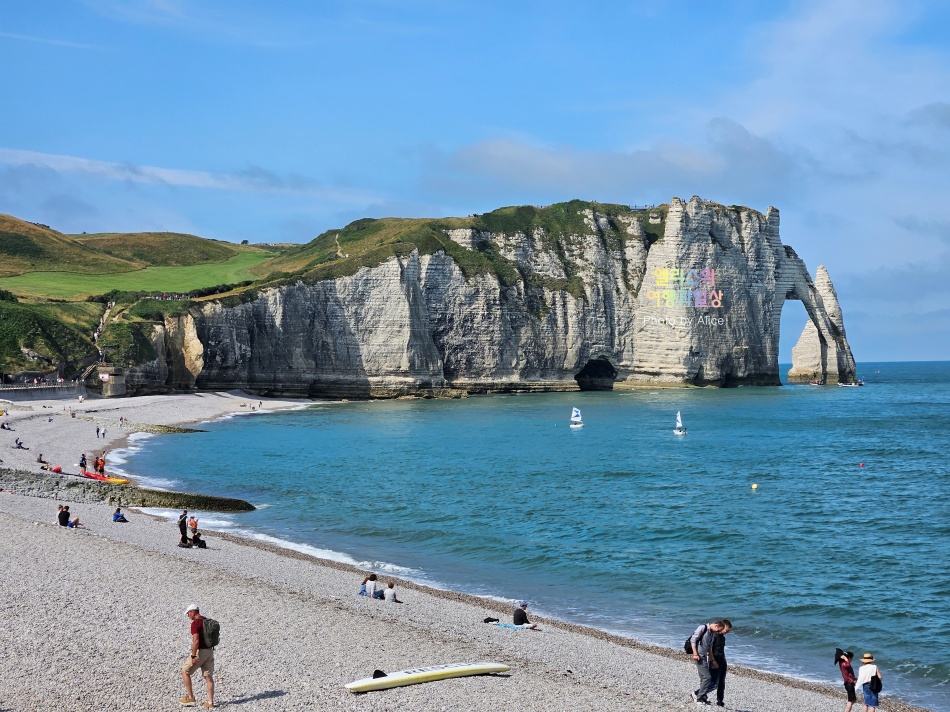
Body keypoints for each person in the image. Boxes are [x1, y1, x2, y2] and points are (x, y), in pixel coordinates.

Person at [180, 604, 215, 708]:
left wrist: (193, 656)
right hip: (210, 651)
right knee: (208, 677)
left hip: (201, 652)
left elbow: (196, 641)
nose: (188, 616)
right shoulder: (207, 620)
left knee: (185, 671)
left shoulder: (195, 623)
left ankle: (191, 698)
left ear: (193, 612)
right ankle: (210, 703)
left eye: (188, 613)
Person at [689, 620, 726, 704]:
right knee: (707, 677)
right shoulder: (703, 628)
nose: (718, 632)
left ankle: (702, 697)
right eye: (718, 630)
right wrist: (695, 654)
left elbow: (709, 648)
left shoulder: (712, 633)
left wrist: (712, 660)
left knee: (704, 678)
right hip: (698, 656)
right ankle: (698, 697)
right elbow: (693, 640)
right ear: (716, 625)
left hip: (704, 656)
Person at [712, 619, 732, 707]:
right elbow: (709, 650)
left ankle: (720, 701)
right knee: (712, 682)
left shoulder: (723, 638)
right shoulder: (714, 636)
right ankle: (699, 694)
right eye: (727, 630)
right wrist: (712, 661)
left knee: (721, 683)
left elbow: (722, 650)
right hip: (715, 660)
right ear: (722, 627)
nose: (727, 632)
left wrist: (725, 660)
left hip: (722, 661)